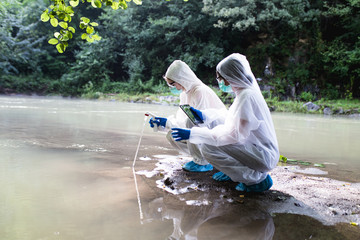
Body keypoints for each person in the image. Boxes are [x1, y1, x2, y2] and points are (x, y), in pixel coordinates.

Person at [171, 53, 280, 192]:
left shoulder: (246, 97)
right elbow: (229, 118)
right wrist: (204, 116)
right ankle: (236, 173)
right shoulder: (245, 94)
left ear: (230, 77)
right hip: (259, 151)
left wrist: (193, 133)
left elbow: (233, 135)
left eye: (221, 78)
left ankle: (256, 180)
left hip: (263, 156)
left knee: (207, 147)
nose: (221, 82)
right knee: (211, 137)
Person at [149, 60, 226, 172]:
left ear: (181, 79)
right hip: (204, 132)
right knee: (172, 134)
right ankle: (198, 158)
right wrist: (164, 123)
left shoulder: (199, 91)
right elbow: (181, 122)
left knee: (192, 121)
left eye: (172, 84)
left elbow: (198, 122)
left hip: (218, 133)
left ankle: (203, 162)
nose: (171, 87)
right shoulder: (184, 94)